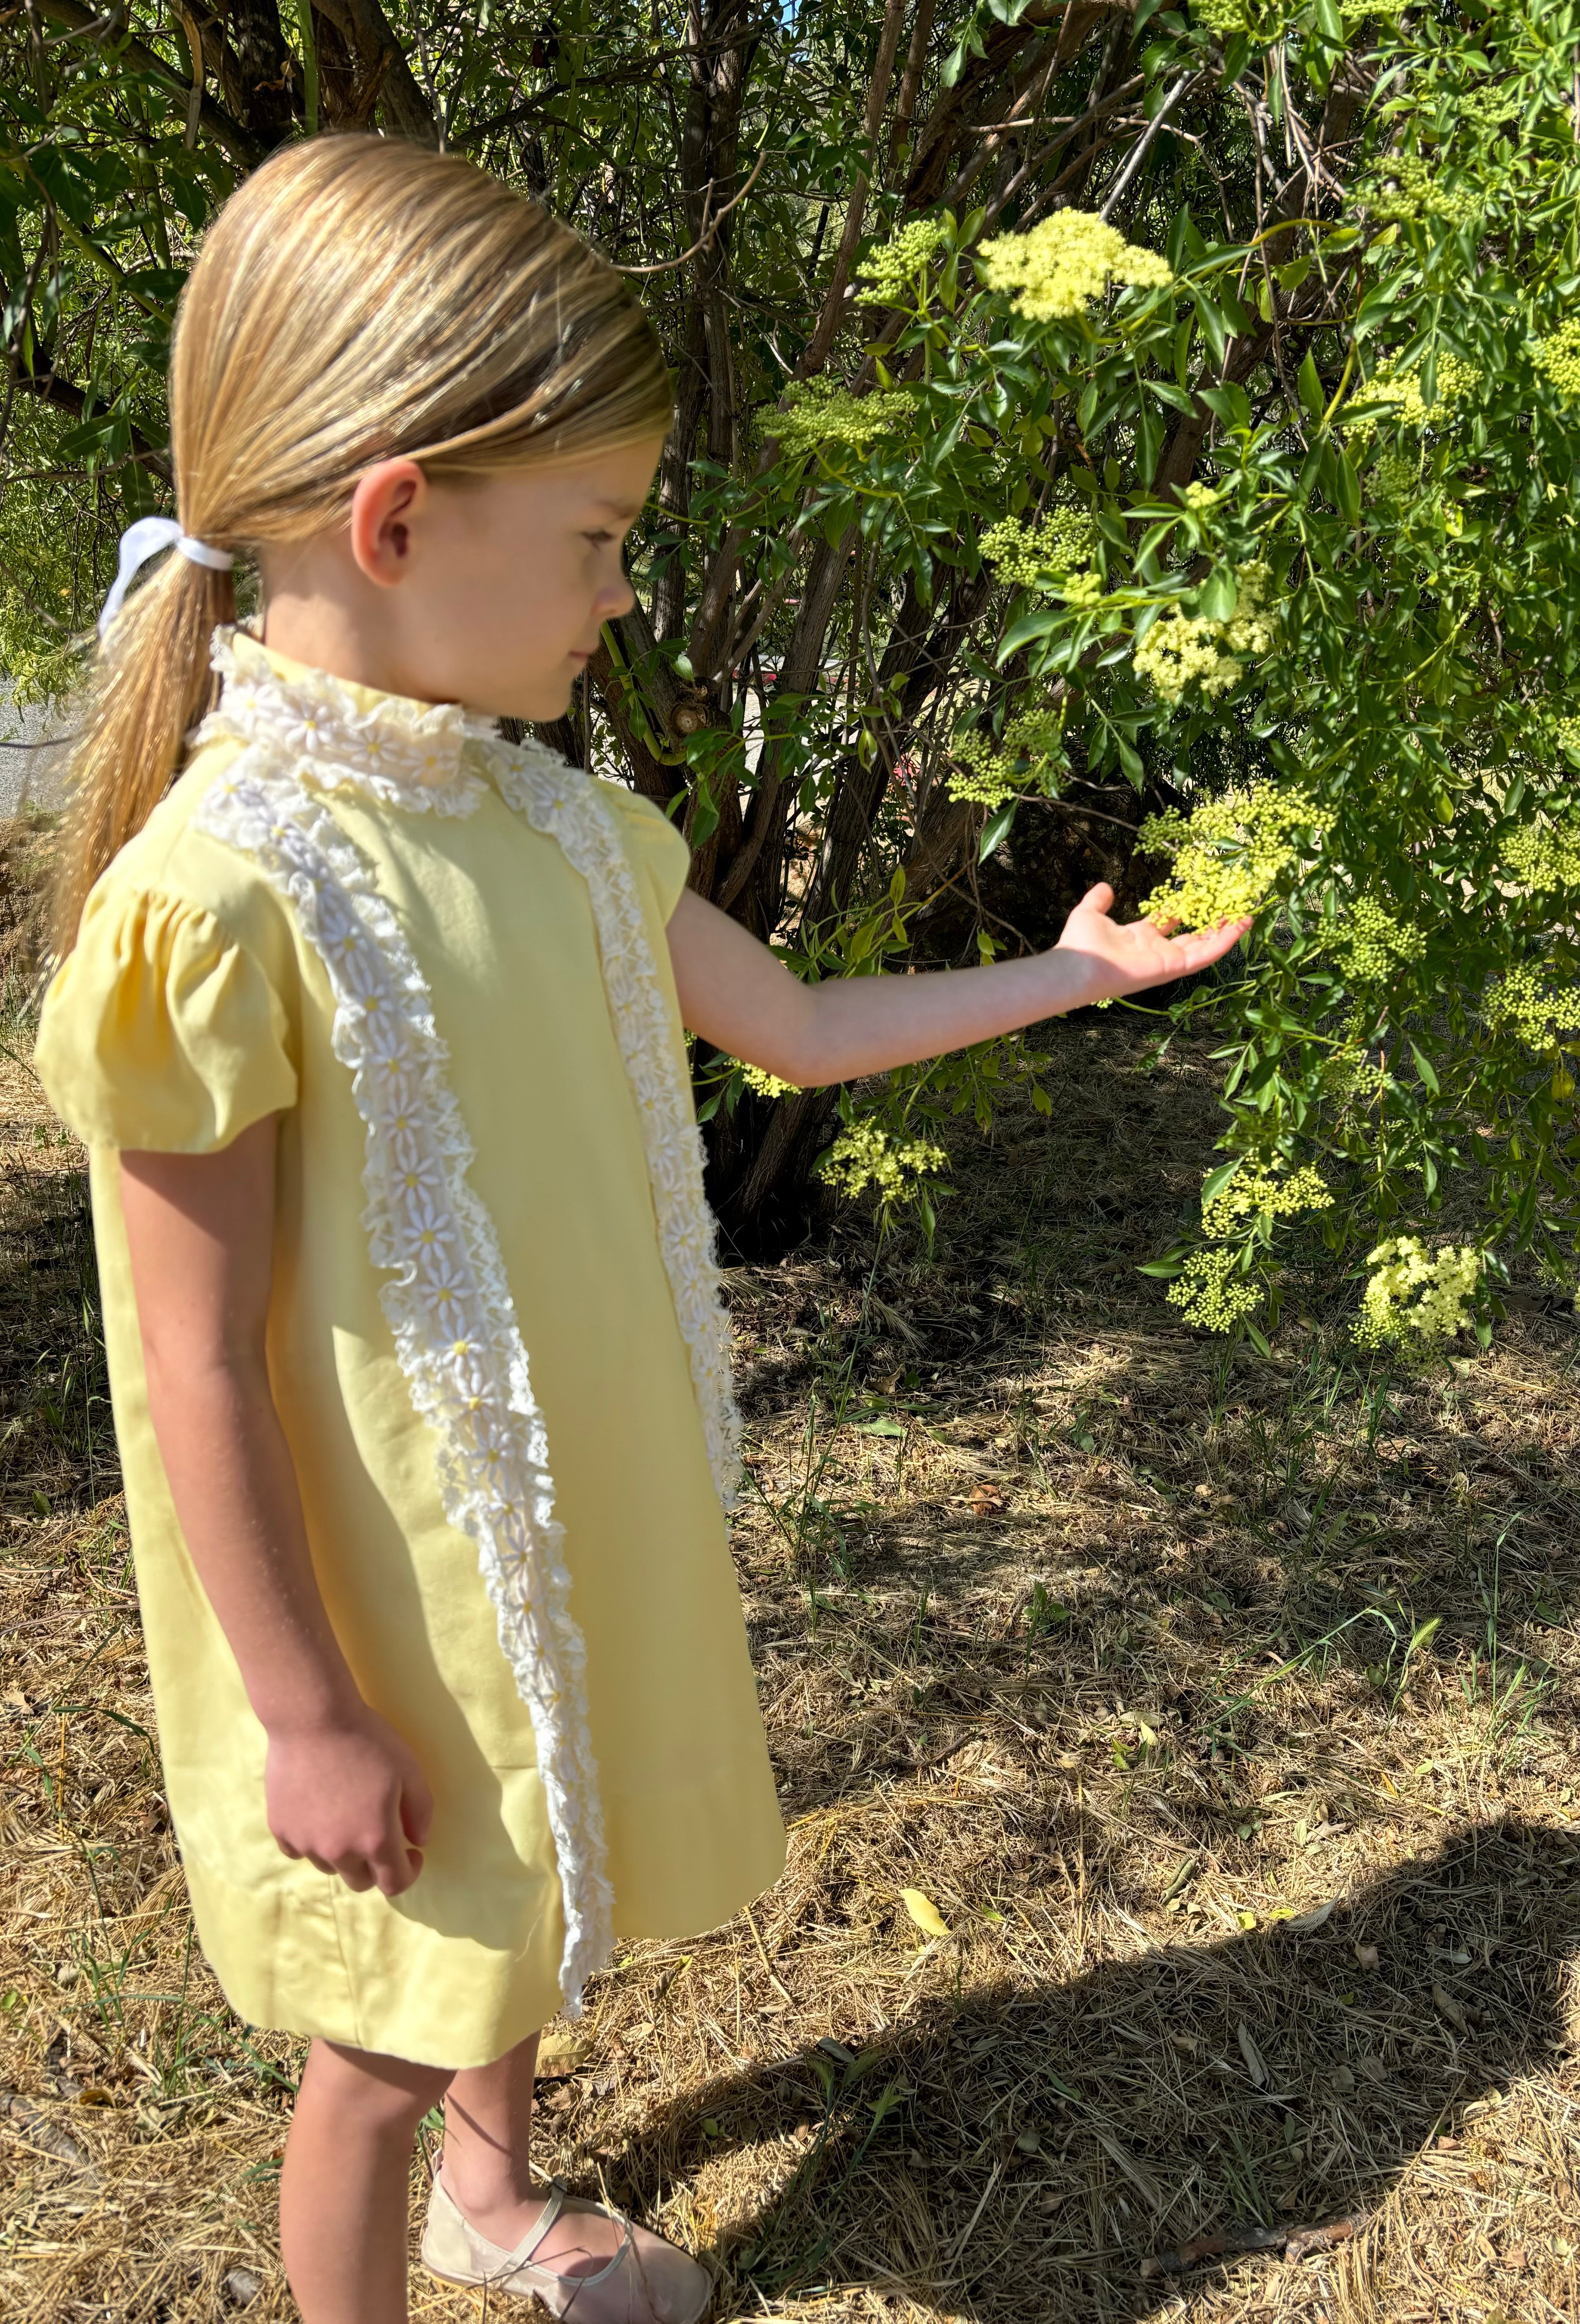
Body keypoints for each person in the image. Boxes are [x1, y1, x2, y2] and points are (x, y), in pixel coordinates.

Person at [33, 137, 1243, 2324]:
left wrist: (1066, 974)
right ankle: (401, 2238)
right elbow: (186, 1355)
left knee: (533, 1893)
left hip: (562, 1512)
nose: (619, 598)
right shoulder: (220, 901)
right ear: (395, 519)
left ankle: (501, 2213)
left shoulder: (560, 823)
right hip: (372, 1587)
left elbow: (786, 1024)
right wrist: (305, 1706)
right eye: (596, 543)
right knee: (391, 2027)